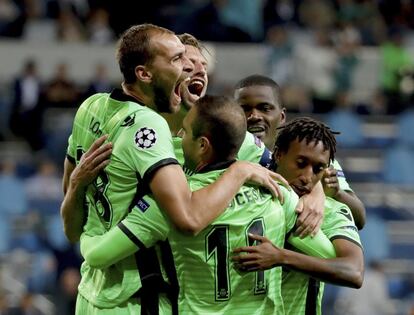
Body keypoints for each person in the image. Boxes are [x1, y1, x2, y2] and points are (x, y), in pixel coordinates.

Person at [60, 24, 284, 314]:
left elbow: (290, 167)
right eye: (182, 62)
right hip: (138, 299)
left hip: (97, 295)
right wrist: (240, 171)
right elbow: (187, 218)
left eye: (201, 66)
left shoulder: (92, 107)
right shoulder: (149, 130)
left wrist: (318, 190)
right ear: (149, 74)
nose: (194, 72)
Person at [79, 96, 337, 314]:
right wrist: (281, 255)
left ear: (203, 145)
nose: (179, 135)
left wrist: (88, 232)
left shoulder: (171, 202)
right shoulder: (278, 193)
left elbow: (97, 256)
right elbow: (327, 256)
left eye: (186, 131)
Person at [232, 117, 364, 315]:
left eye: (318, 169)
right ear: (278, 154)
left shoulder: (332, 211)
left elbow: (354, 272)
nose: (307, 177)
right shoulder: (247, 195)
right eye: (301, 163)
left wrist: (281, 257)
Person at [234, 74, 366, 229]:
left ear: (282, 116)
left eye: (265, 108)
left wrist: (333, 193)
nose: (254, 116)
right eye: (245, 109)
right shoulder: (222, 154)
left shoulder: (316, 160)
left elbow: (360, 218)